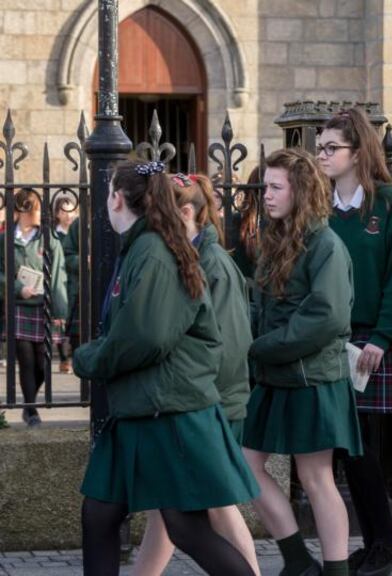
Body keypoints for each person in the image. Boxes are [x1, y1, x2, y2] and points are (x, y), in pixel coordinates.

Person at [74, 161, 258, 576]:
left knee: (186, 526)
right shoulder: (145, 246)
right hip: (144, 408)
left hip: (169, 410)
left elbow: (146, 337)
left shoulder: (153, 251)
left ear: (117, 198)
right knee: (100, 513)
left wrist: (91, 359)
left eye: (107, 193)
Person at [132, 173, 260, 576]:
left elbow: (228, 345)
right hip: (200, 403)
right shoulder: (188, 256)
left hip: (213, 404)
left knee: (218, 508)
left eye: (159, 213)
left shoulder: (213, 262)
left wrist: (206, 405)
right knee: (168, 509)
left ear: (186, 213)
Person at [242, 148, 363, 576]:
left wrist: (261, 347)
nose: (267, 196)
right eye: (266, 187)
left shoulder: (326, 244)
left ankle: (335, 570)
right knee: (246, 465)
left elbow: (327, 316)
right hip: (277, 375)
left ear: (300, 190)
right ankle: (297, 560)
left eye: (276, 187)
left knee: (316, 479)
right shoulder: (276, 239)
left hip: (313, 378)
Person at [318, 107, 392, 575]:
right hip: (331, 339)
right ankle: (380, 539)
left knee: (368, 450)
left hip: (375, 342)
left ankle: (385, 540)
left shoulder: (389, 203)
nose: (322, 156)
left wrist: (383, 336)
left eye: (331, 148)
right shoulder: (320, 205)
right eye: (320, 148)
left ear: (357, 152)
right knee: (344, 450)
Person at [2, 189, 68, 427]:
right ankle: (31, 410)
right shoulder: (6, 239)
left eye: (40, 208)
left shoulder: (49, 238)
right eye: (34, 208)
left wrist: (61, 310)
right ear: (21, 211)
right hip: (19, 306)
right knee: (26, 362)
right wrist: (18, 287)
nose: (39, 213)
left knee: (42, 364)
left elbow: (59, 273)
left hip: (45, 307)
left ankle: (29, 402)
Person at [53, 195, 78, 374]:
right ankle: (63, 359)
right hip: (60, 281)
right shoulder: (55, 234)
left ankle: (75, 357)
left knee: (76, 324)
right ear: (57, 214)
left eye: (71, 211)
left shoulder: (80, 230)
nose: (68, 215)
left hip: (77, 282)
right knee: (60, 322)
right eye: (64, 211)